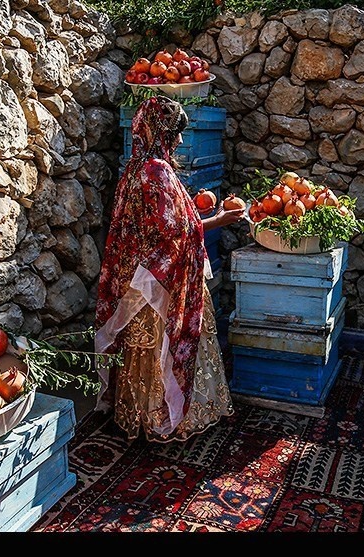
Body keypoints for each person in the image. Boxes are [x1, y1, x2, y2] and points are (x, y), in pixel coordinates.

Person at [94, 95, 244, 443]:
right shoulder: (157, 170)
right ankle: (169, 417)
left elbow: (147, 224)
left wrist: (189, 212)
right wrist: (218, 220)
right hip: (160, 279)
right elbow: (174, 232)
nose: (178, 140)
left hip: (135, 278)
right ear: (158, 131)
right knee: (166, 344)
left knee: (141, 348)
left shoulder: (134, 169)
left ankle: (138, 414)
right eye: (174, 132)